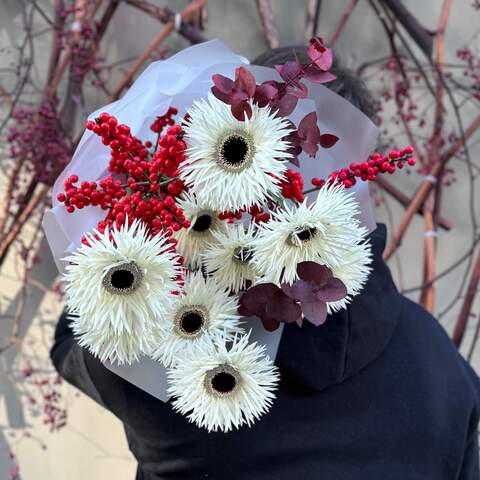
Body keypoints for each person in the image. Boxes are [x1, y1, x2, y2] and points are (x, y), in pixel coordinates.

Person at [50, 46, 480, 480]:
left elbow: (77, 339)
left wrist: (139, 234)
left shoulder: (163, 367)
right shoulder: (441, 367)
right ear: (357, 193)